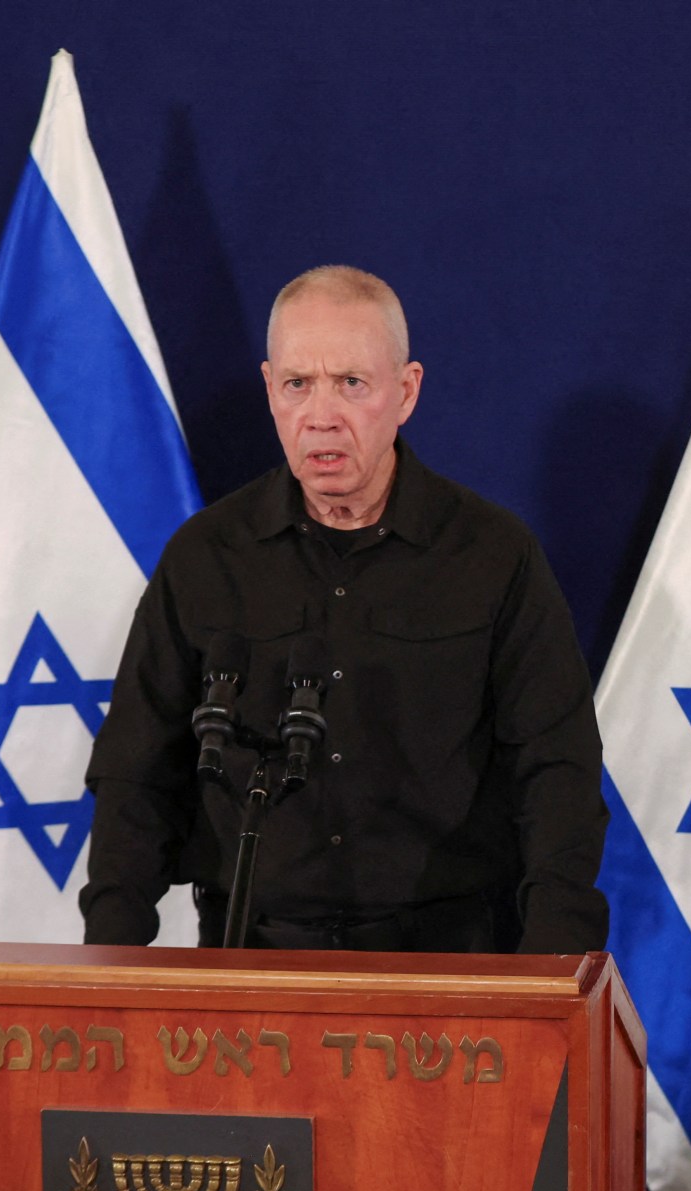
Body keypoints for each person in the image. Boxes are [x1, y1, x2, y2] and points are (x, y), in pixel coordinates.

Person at [80, 266, 608, 955]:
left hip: (448, 958)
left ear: (406, 391)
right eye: (298, 384)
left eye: (351, 383)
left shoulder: (491, 555)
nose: (321, 414)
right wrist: (110, 961)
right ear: (270, 389)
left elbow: (558, 771)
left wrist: (553, 965)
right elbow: (136, 771)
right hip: (251, 957)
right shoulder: (207, 557)